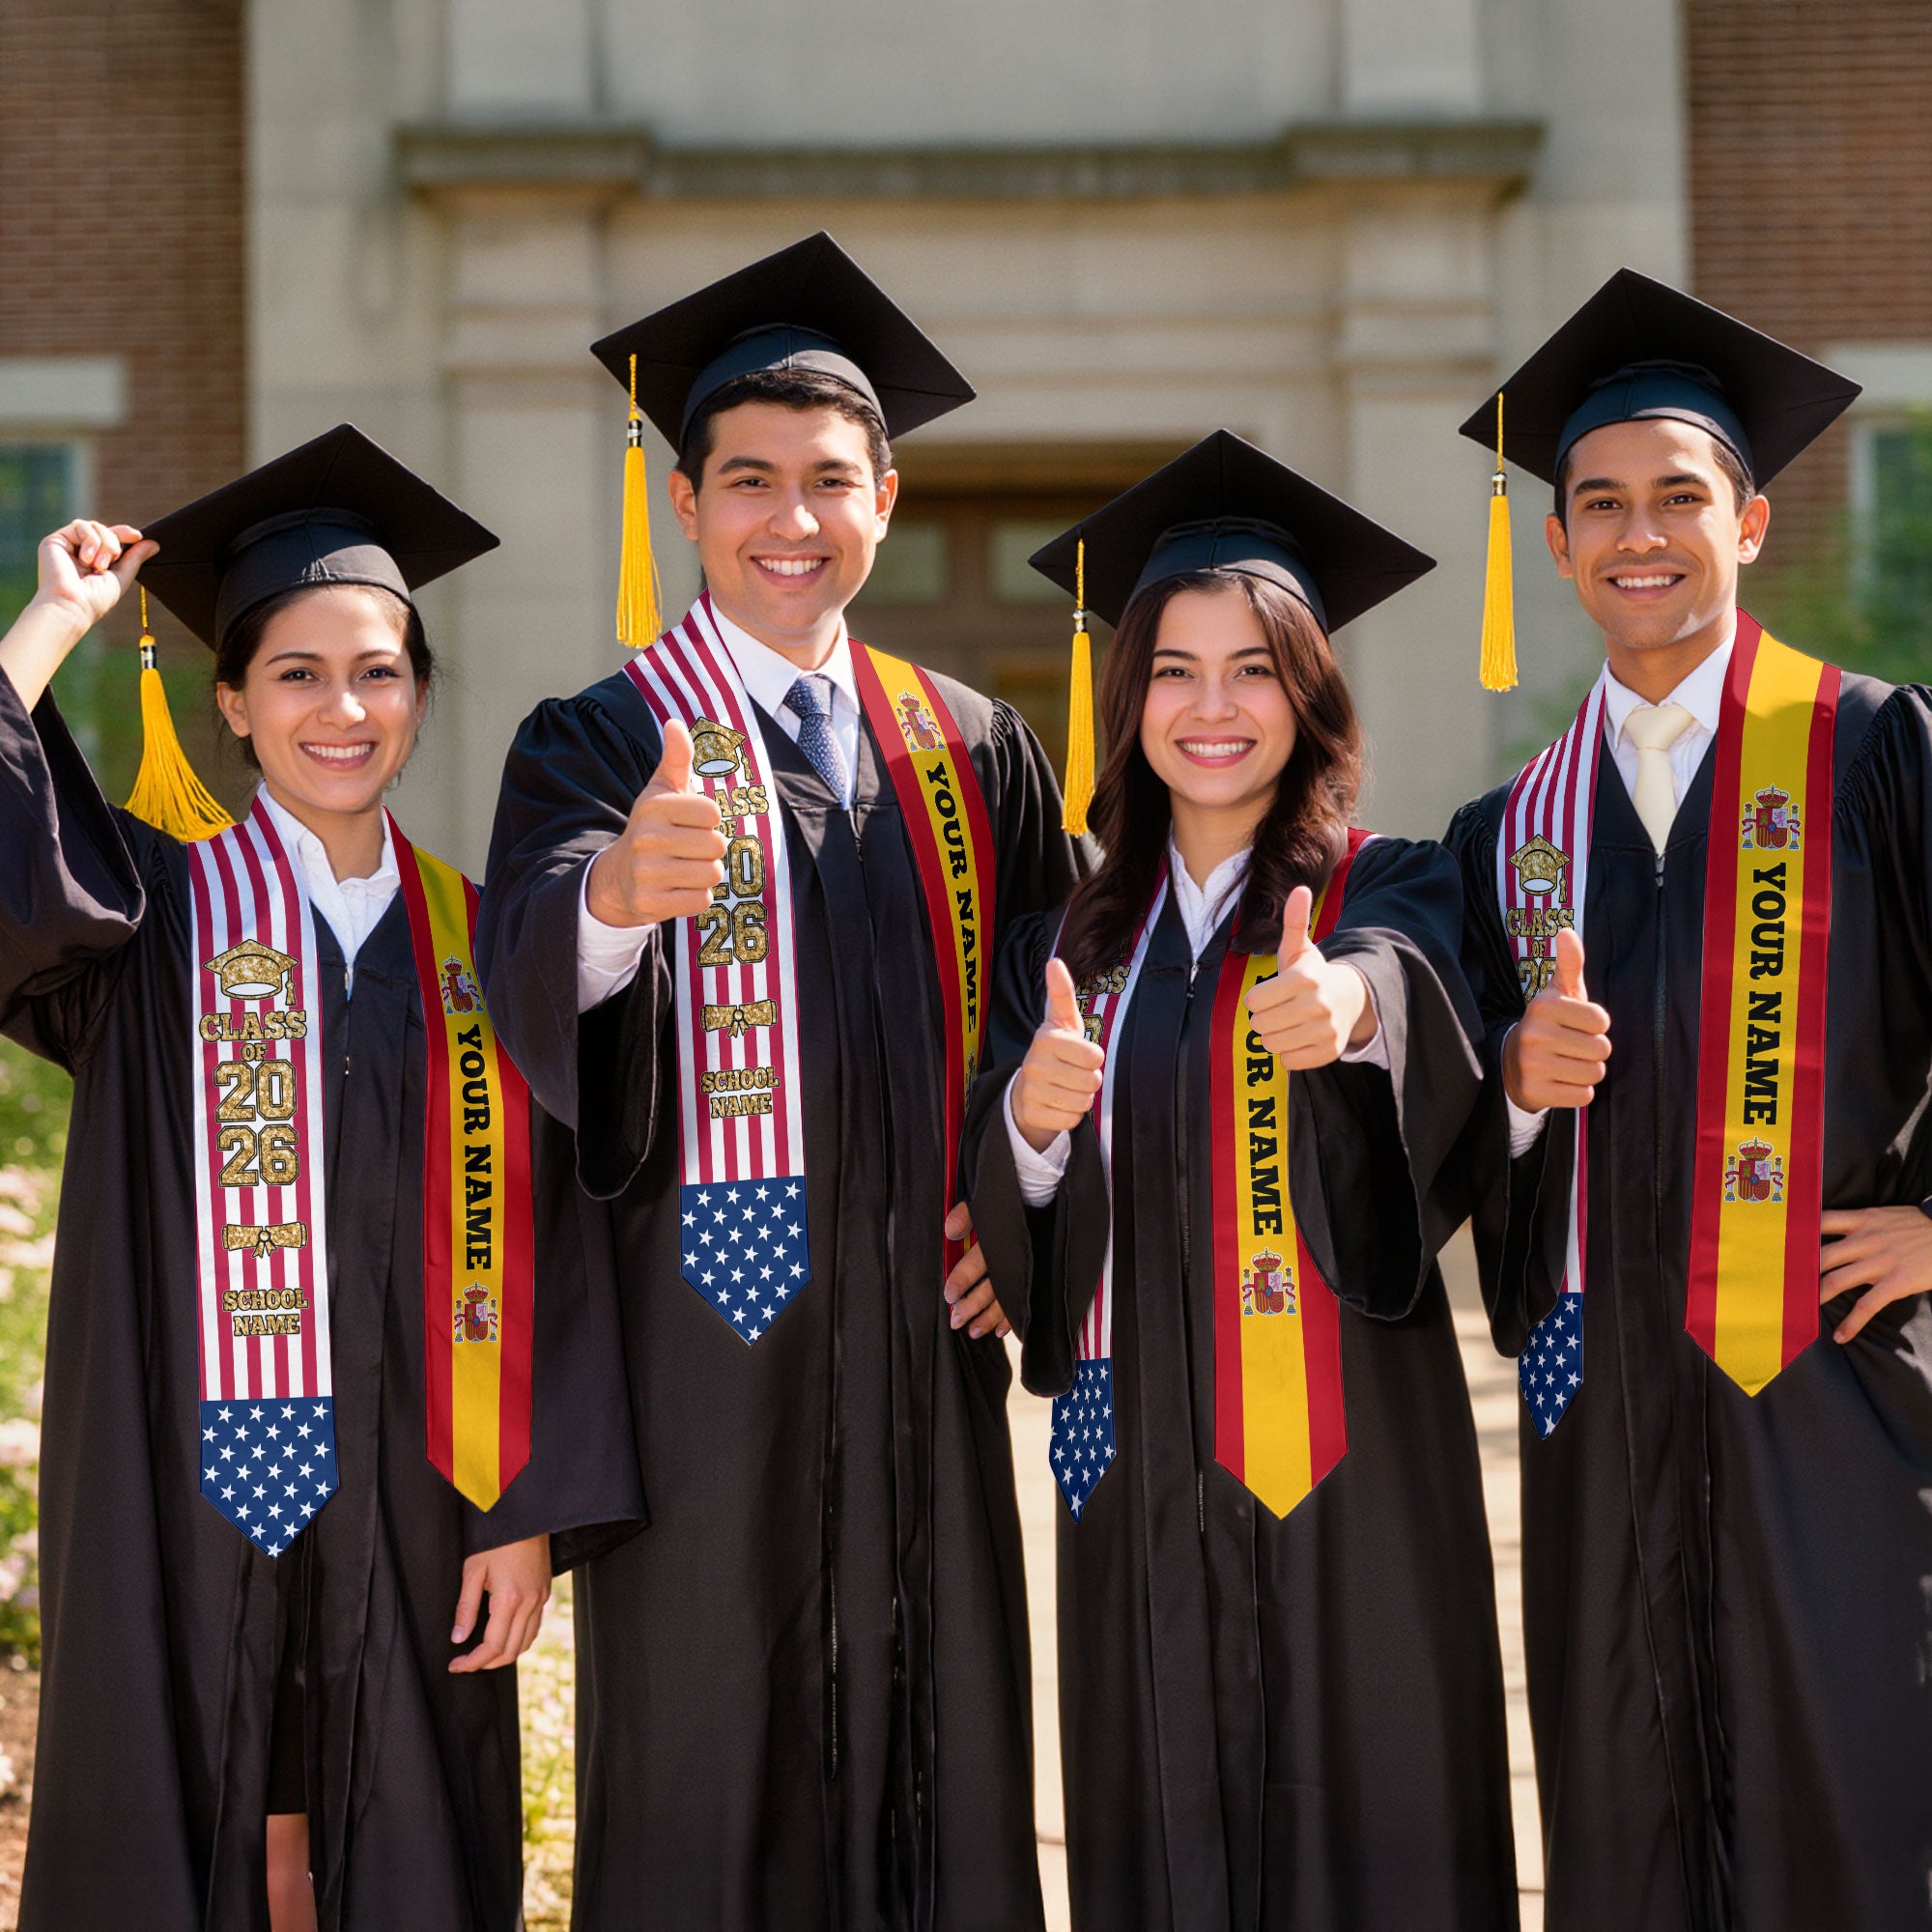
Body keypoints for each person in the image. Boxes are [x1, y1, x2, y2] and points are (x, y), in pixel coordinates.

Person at [476, 233, 1083, 1930]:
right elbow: (528, 969)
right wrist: (610, 900)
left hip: (921, 1349)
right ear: (686, 504)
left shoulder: (972, 744)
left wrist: (1024, 1190)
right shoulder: (598, 739)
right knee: (708, 1771)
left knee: (942, 1753)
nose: (790, 519)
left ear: (886, 497)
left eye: (831, 481)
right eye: (749, 481)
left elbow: (1077, 998)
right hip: (704, 1365)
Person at [0, 425, 642, 1932]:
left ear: (419, 695)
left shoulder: (492, 946)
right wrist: (50, 625)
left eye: (378, 671)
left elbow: (560, 1239)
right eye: (295, 673)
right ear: (230, 701)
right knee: (191, 1805)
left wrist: (525, 1507)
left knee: (407, 1831)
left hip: (428, 1494)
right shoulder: (146, 919)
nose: (340, 708)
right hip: (182, 1481)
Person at [964, 431, 1519, 1930]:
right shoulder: (1068, 944)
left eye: (1256, 669)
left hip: (1351, 1464)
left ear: (1311, 693)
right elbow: (1011, 1195)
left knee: (1377, 1823)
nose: (1214, 709)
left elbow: (1414, 987)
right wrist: (1027, 1115)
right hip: (1132, 1460)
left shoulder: (1387, 884)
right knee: (1161, 1828)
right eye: (1175, 671)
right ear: (1127, 696)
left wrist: (1349, 1011)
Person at [1445, 270, 1932, 1931]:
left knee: (1854, 1800)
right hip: (1601, 1408)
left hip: (1833, 1385)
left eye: (1678, 497)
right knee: (1624, 1813)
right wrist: (1510, 1087)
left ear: (1752, 520)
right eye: (1599, 504)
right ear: (1561, 543)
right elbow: (1443, 1130)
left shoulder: (1875, 752)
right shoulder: (1509, 831)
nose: (1637, 534)